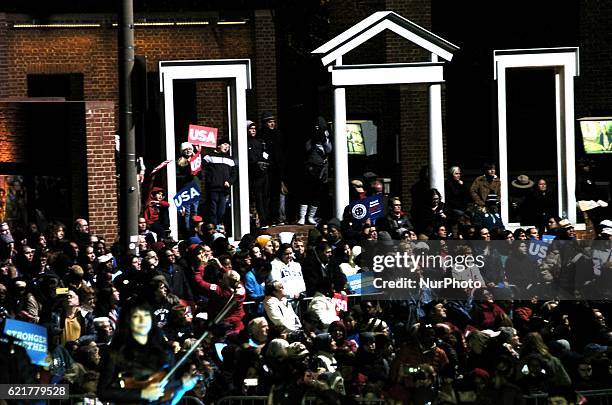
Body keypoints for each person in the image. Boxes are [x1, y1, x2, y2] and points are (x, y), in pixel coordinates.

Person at [97, 300, 198, 403]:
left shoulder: (165, 352)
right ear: (127, 321)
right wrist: (142, 393)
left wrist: (182, 387)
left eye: (146, 315)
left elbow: (167, 399)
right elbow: (103, 392)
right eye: (136, 316)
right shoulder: (116, 353)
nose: (142, 320)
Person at [297, 117, 332, 225]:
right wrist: (313, 140)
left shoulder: (326, 137)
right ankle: (302, 217)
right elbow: (306, 149)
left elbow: (329, 149)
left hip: (321, 169)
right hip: (310, 168)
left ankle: (311, 216)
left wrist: (324, 139)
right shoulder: (310, 138)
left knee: (316, 194)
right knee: (306, 193)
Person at [260, 112, 289, 226]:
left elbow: (283, 152)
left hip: (277, 169)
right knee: (266, 195)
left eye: (273, 122)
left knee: (276, 195)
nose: (272, 124)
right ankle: (267, 217)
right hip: (266, 169)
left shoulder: (278, 135)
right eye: (269, 122)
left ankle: (276, 217)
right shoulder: (262, 135)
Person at [202, 138, 237, 226]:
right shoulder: (209, 156)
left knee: (221, 211)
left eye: (228, 146)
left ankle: (218, 227)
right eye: (225, 145)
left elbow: (234, 174)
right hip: (212, 189)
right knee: (212, 210)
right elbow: (200, 166)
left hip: (224, 190)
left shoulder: (230, 159)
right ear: (218, 145)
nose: (227, 147)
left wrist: (229, 182)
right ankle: (213, 229)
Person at [247, 120, 271, 228]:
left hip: (263, 174)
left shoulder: (259, 142)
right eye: (250, 129)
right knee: (258, 198)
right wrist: (256, 164)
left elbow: (264, 155)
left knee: (265, 196)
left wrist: (264, 162)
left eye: (254, 129)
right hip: (254, 175)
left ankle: (266, 218)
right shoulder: (245, 143)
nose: (253, 131)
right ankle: (262, 220)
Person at [176, 141, 203, 232]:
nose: (188, 151)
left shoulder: (196, 160)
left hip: (196, 188)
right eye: (185, 149)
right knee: (187, 212)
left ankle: (194, 230)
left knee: (195, 211)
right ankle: (188, 231)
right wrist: (189, 167)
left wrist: (197, 161)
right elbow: (178, 176)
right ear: (182, 151)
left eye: (190, 149)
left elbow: (201, 176)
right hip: (186, 189)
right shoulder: (180, 161)